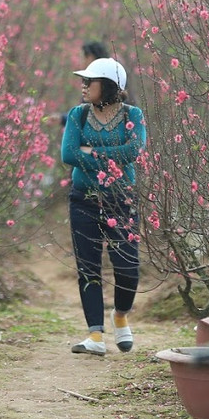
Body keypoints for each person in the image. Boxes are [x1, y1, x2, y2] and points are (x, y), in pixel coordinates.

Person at [60, 57, 147, 356]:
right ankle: (95, 335)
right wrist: (111, 155)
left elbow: (133, 150)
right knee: (88, 268)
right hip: (83, 199)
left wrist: (91, 150)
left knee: (128, 268)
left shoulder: (133, 115)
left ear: (108, 86)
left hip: (121, 201)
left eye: (90, 82)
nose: (83, 86)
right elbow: (68, 154)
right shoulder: (77, 115)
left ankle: (120, 315)